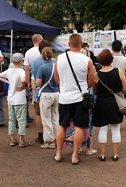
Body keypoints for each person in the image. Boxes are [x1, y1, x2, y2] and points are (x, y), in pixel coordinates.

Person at [54, 34, 96, 165]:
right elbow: (92, 81)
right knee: (79, 126)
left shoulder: (59, 58)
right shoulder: (87, 60)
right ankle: (74, 156)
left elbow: (56, 79)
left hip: (64, 97)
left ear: (68, 43)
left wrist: (65, 85)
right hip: (80, 98)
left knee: (62, 125)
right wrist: (84, 86)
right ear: (81, 43)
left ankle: (59, 154)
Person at [92, 49, 126, 161]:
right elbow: (125, 89)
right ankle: (116, 154)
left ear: (100, 60)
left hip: (101, 103)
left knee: (102, 129)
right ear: (112, 60)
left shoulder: (96, 74)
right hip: (115, 104)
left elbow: (94, 91)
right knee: (116, 128)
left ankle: (102, 155)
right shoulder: (119, 71)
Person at [0, 53, 30, 147]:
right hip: (20, 98)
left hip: (11, 98)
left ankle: (12, 139)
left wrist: (10, 83)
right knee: (21, 119)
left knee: (11, 119)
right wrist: (23, 85)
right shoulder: (22, 71)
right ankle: (21, 140)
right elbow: (24, 80)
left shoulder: (9, 70)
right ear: (21, 61)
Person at [36, 47, 59, 149]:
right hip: (56, 93)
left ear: (42, 55)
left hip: (46, 94)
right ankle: (56, 139)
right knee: (55, 118)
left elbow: (38, 83)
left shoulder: (42, 67)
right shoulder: (56, 65)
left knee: (46, 119)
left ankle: (49, 141)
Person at [24, 34, 45, 144]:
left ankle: (40, 135)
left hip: (34, 80)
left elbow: (27, 69)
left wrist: (27, 82)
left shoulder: (28, 52)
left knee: (38, 111)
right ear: (40, 40)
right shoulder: (45, 50)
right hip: (47, 81)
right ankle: (49, 134)